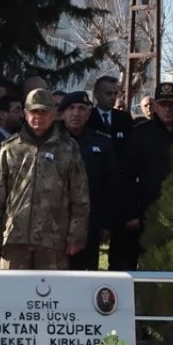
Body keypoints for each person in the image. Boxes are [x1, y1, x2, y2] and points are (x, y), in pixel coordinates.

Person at [0, 89, 89, 270]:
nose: (38, 117)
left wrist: (76, 235)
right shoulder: (10, 148)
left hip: (54, 240)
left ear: (54, 114)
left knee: (51, 295)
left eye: (44, 112)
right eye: (34, 112)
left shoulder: (68, 149)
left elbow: (80, 196)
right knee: (11, 293)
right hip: (15, 238)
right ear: (25, 114)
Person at [112, 82, 173, 271]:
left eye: (172, 104)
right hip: (148, 212)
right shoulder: (141, 134)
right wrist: (131, 213)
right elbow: (127, 177)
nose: (167, 109)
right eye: (163, 104)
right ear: (155, 106)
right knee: (148, 263)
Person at [59, 91, 121, 271]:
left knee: (84, 276)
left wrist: (107, 224)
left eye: (81, 109)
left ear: (89, 114)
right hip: (54, 224)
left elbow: (111, 186)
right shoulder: (51, 141)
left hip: (89, 223)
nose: (76, 113)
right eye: (71, 108)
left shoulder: (102, 143)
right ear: (62, 113)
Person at [91, 75, 134, 150]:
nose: (113, 98)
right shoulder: (88, 117)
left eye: (115, 93)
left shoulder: (124, 117)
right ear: (96, 94)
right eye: (108, 93)